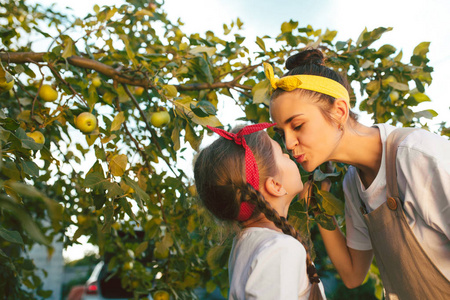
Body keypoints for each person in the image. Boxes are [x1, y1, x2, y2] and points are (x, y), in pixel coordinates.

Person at [266, 48, 450, 299]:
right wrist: (320, 206)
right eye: (281, 132)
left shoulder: (417, 155)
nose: (288, 143)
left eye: (297, 125)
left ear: (339, 111)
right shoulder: (354, 183)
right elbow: (353, 275)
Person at [193, 123, 326, 300]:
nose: (288, 154)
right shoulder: (281, 249)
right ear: (275, 186)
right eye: (282, 154)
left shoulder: (246, 244)